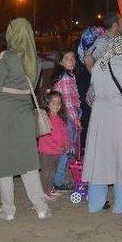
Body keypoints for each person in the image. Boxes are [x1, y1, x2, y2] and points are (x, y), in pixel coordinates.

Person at [0, 18, 51, 220]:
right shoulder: (36, 60)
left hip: (2, 113)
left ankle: (8, 210)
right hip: (24, 114)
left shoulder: (7, 56)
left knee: (3, 161)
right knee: (27, 162)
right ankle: (41, 207)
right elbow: (31, 88)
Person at [82, 35, 122, 214]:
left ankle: (95, 203)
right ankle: (121, 204)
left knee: (99, 156)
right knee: (121, 156)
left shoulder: (99, 65)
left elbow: (91, 94)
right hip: (119, 116)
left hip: (99, 116)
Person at [50, 49, 81, 192]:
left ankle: (59, 178)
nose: (72, 60)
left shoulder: (69, 76)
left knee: (67, 150)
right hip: (69, 118)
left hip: (68, 117)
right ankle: (58, 181)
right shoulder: (65, 78)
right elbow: (68, 103)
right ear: (61, 62)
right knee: (66, 150)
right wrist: (76, 120)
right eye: (68, 58)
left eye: (73, 58)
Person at [76, 26, 105, 149]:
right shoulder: (85, 61)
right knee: (86, 116)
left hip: (90, 94)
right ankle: (83, 146)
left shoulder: (87, 60)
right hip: (86, 93)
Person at [37, 91, 70, 200]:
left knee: (53, 172)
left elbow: (64, 134)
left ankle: (49, 189)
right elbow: (47, 137)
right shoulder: (45, 118)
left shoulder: (60, 120)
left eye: (59, 102)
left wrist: (66, 144)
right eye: (53, 102)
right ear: (48, 104)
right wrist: (57, 146)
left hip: (57, 151)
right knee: (46, 172)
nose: (56, 104)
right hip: (47, 151)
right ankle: (43, 192)